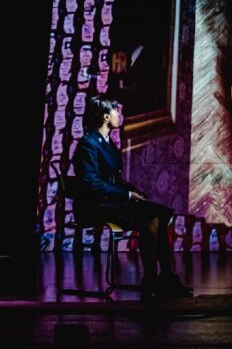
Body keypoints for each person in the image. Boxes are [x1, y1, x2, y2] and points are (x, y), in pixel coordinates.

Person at [72, 96, 192, 298]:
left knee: (159, 214)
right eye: (116, 111)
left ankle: (164, 276)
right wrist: (126, 194)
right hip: (96, 205)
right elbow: (92, 183)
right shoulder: (89, 144)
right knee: (151, 218)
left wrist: (134, 192)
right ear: (105, 116)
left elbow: (114, 180)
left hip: (112, 200)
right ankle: (153, 278)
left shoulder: (108, 144)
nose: (120, 115)